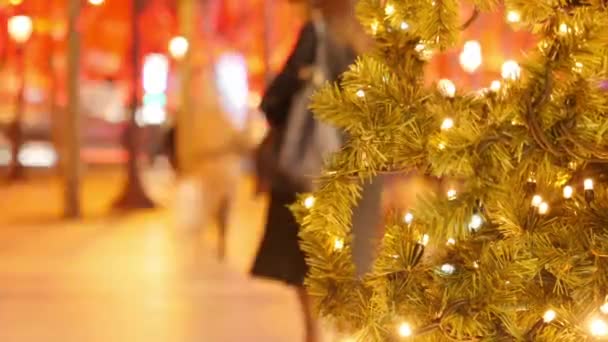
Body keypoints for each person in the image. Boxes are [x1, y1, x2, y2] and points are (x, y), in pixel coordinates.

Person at [251, 1, 375, 341]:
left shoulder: (318, 33)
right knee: (352, 256)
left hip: (311, 166)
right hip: (360, 170)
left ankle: (315, 334)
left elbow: (276, 97)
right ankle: (347, 331)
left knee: (303, 258)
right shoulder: (377, 38)